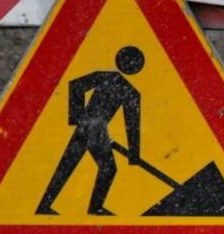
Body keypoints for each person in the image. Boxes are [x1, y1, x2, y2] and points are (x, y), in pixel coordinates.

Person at [36, 46, 144, 216]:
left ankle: (44, 206)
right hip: (96, 130)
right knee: (107, 168)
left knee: (67, 165)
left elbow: (132, 124)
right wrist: (133, 154)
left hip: (89, 128)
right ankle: (95, 208)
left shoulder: (122, 86)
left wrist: (79, 120)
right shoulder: (124, 88)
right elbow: (76, 86)